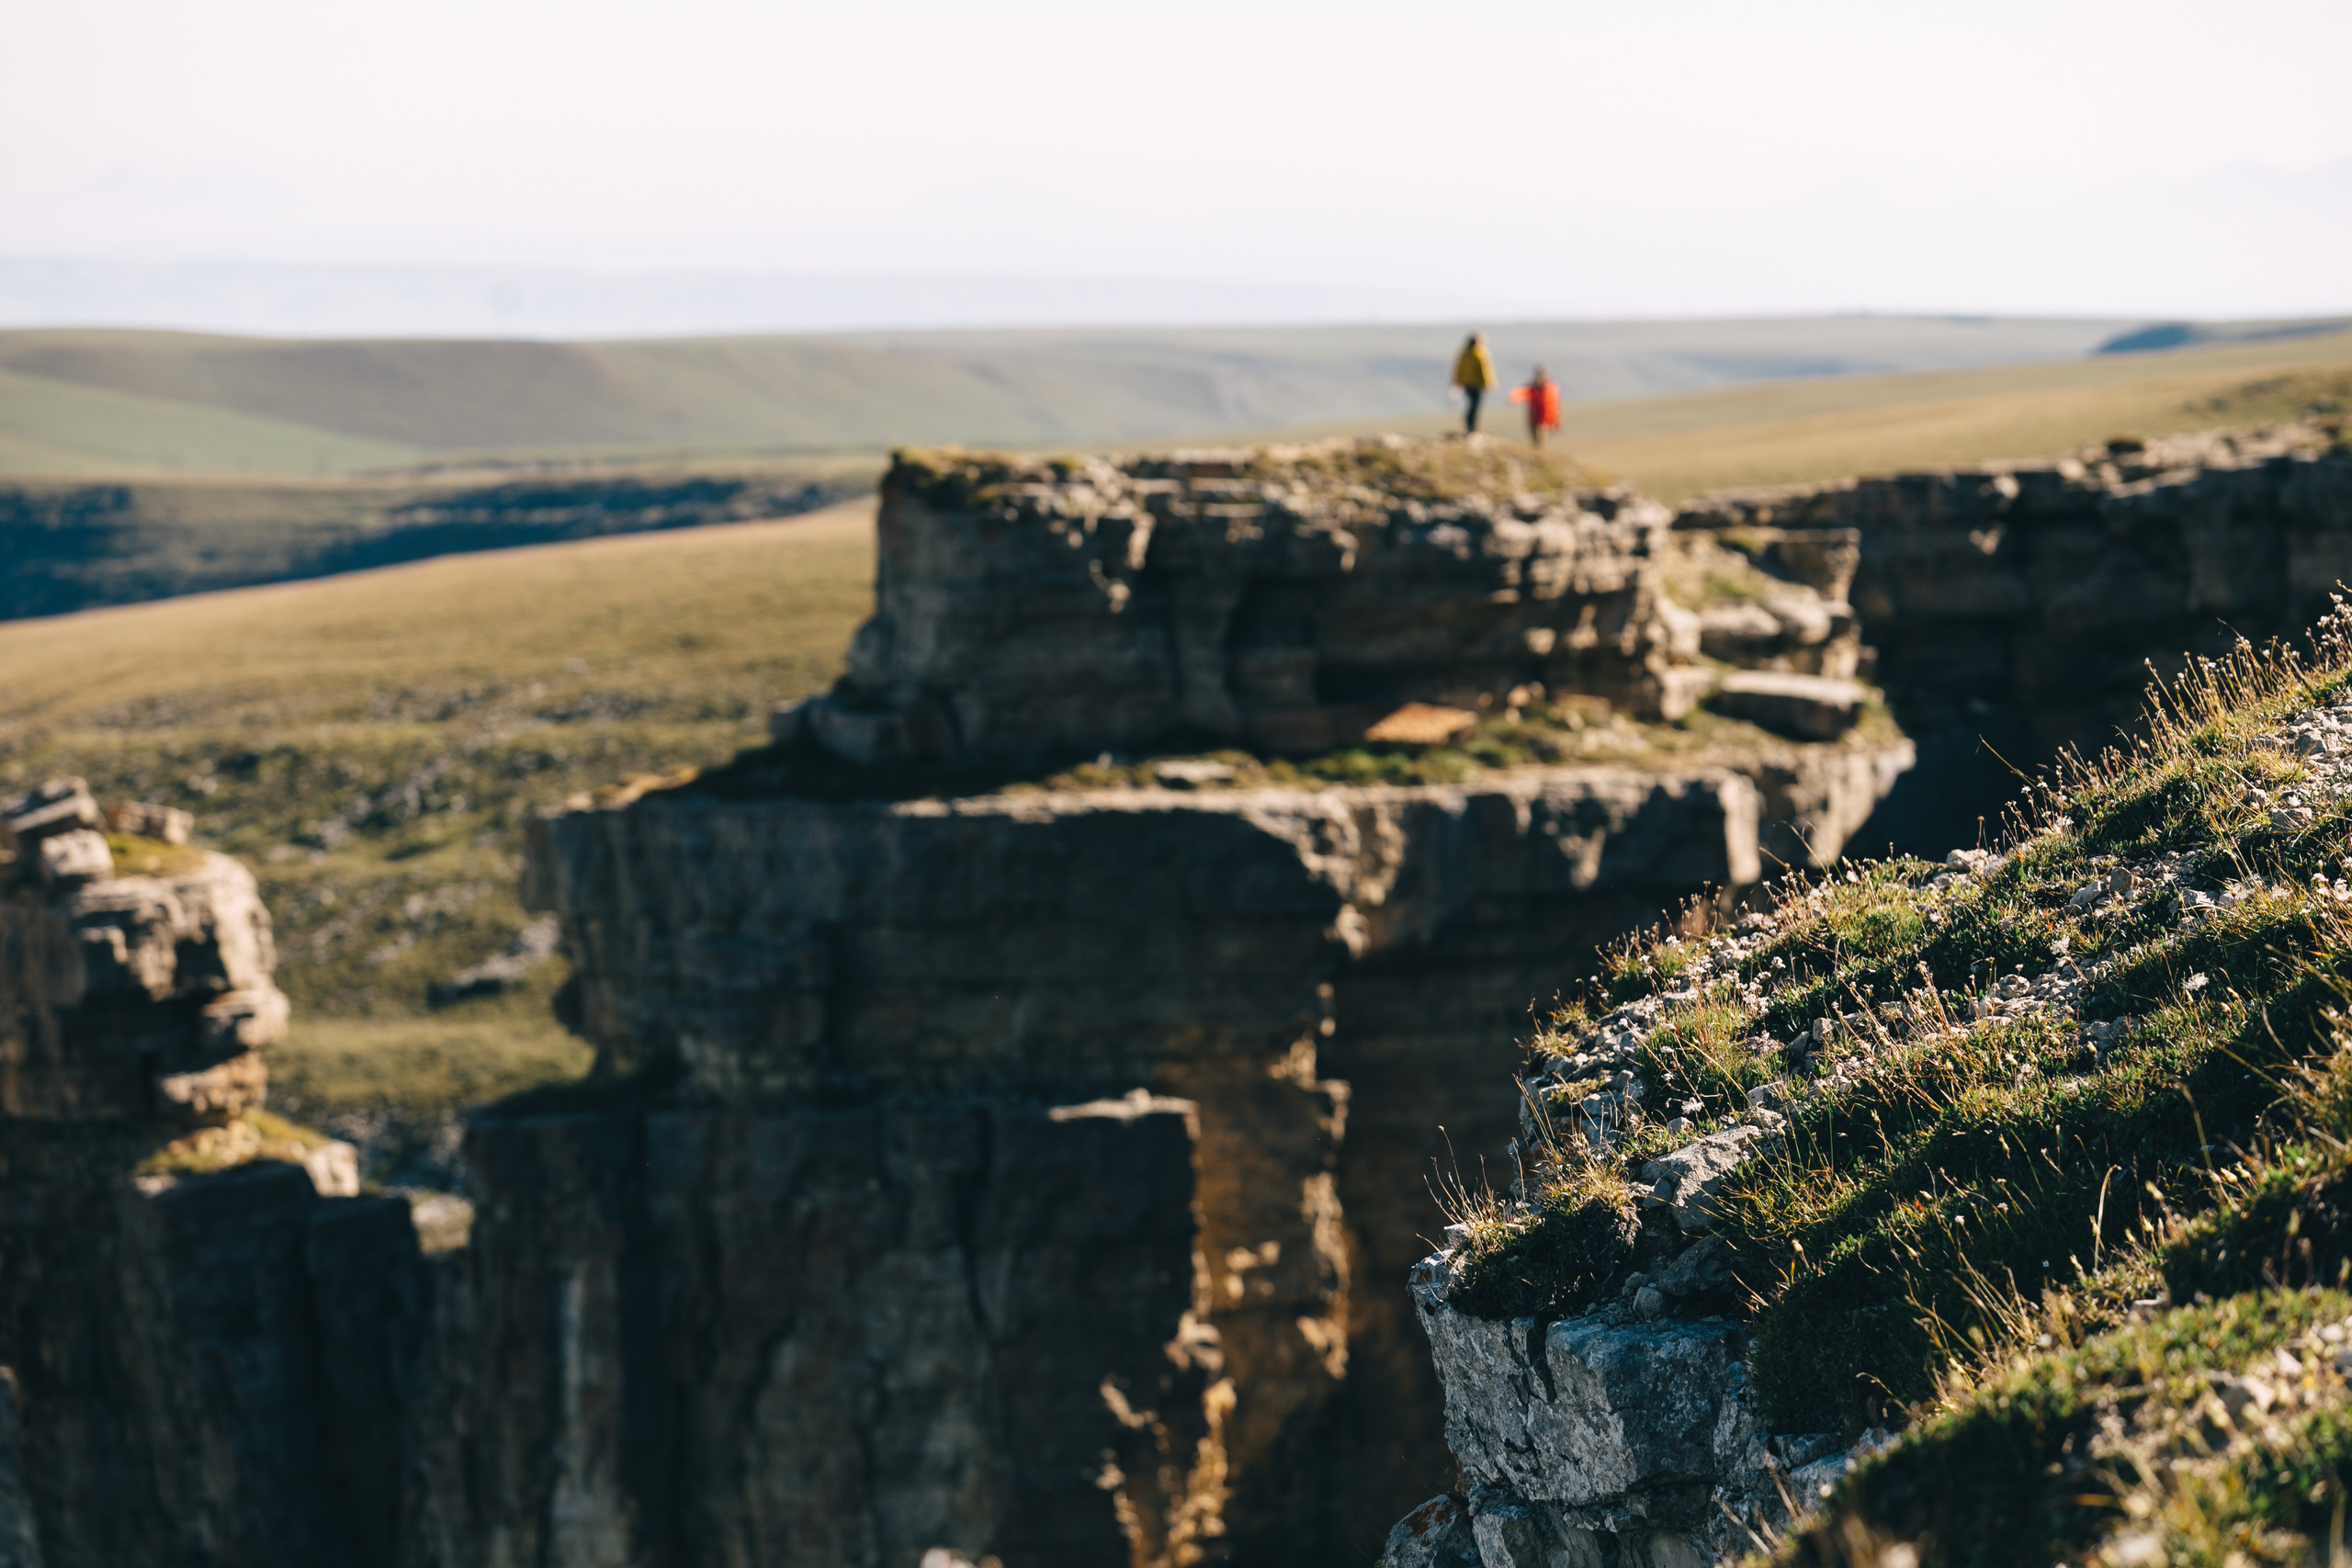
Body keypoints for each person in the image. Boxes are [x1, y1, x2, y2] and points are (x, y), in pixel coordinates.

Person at [1451, 333, 1497, 434]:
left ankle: (1470, 425)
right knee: (1475, 405)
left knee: (1472, 404)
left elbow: (1458, 369)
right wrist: (1489, 383)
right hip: (1477, 384)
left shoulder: (1464, 353)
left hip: (1466, 384)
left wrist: (1457, 382)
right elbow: (1485, 370)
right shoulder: (1480, 353)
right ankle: (1472, 426)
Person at [1510, 364, 1562, 447]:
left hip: (1546, 420)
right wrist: (1514, 398)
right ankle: (1537, 457)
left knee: (1541, 442)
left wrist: (1557, 420)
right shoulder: (1533, 388)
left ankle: (1540, 458)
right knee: (1535, 441)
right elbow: (1521, 393)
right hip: (1533, 418)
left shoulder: (1551, 389)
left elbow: (1557, 405)